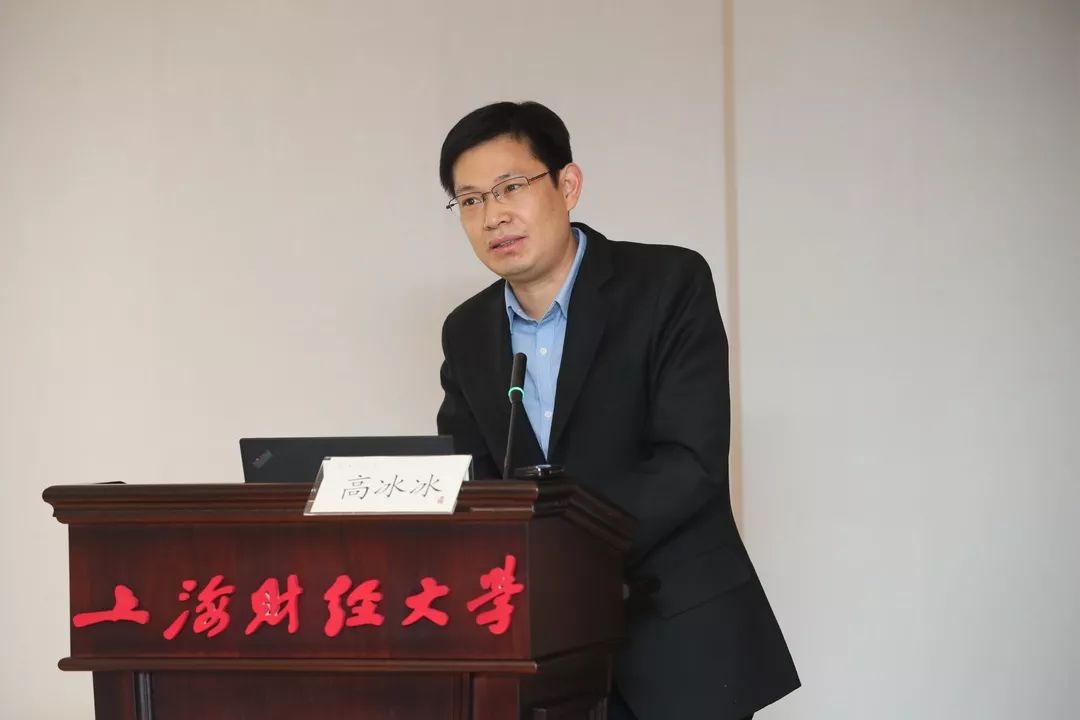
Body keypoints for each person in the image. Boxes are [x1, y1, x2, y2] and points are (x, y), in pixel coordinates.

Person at [435, 101, 799, 720]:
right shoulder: (467, 331)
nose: (493, 215)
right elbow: (470, 482)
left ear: (567, 185)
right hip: (544, 661)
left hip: (678, 638)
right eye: (470, 200)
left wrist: (564, 551)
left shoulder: (666, 282)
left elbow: (690, 463)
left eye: (511, 187)